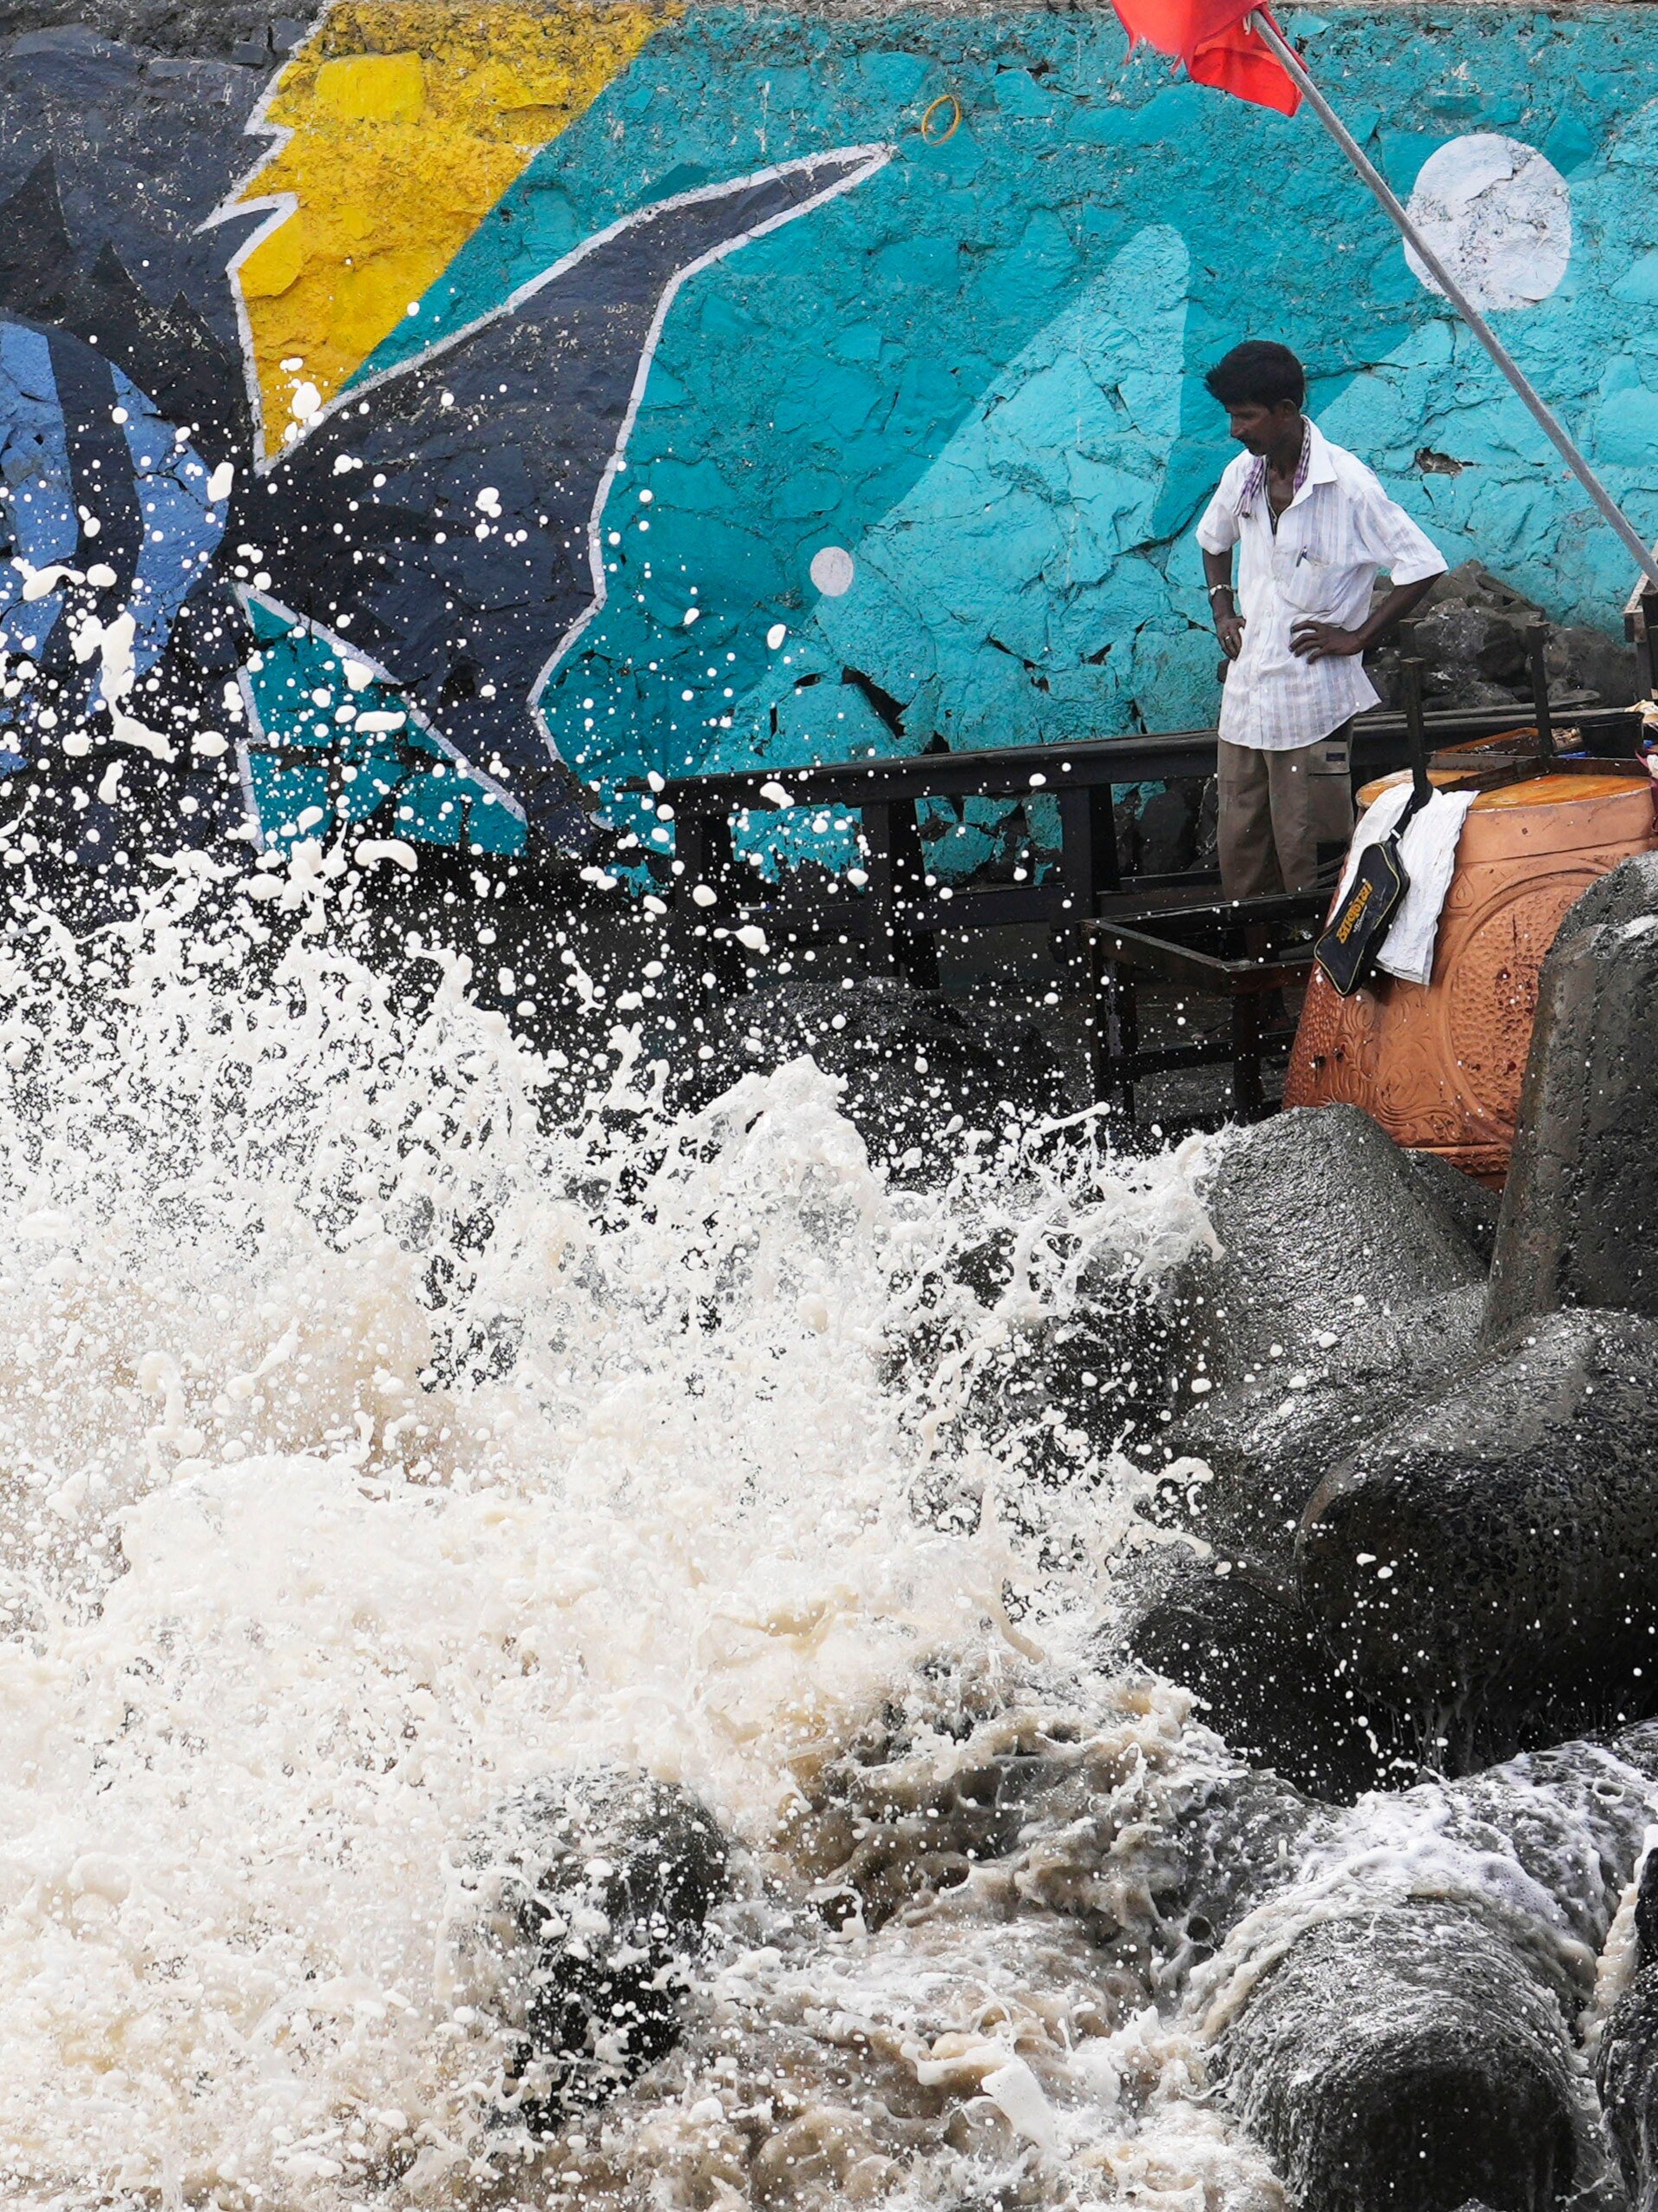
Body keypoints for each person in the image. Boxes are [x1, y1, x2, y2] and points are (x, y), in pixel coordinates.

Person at [1196, 340, 1447, 900]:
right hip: (1245, 704)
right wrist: (1221, 607)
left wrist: (1357, 637)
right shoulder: (1244, 474)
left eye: (1245, 416)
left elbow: (1422, 564)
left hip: (1315, 711)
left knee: (1312, 857)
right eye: (1231, 416)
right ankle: (1257, 983)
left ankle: (1318, 981)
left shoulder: (1347, 486)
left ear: (1285, 411)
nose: (1234, 430)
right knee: (1241, 854)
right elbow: (1212, 540)